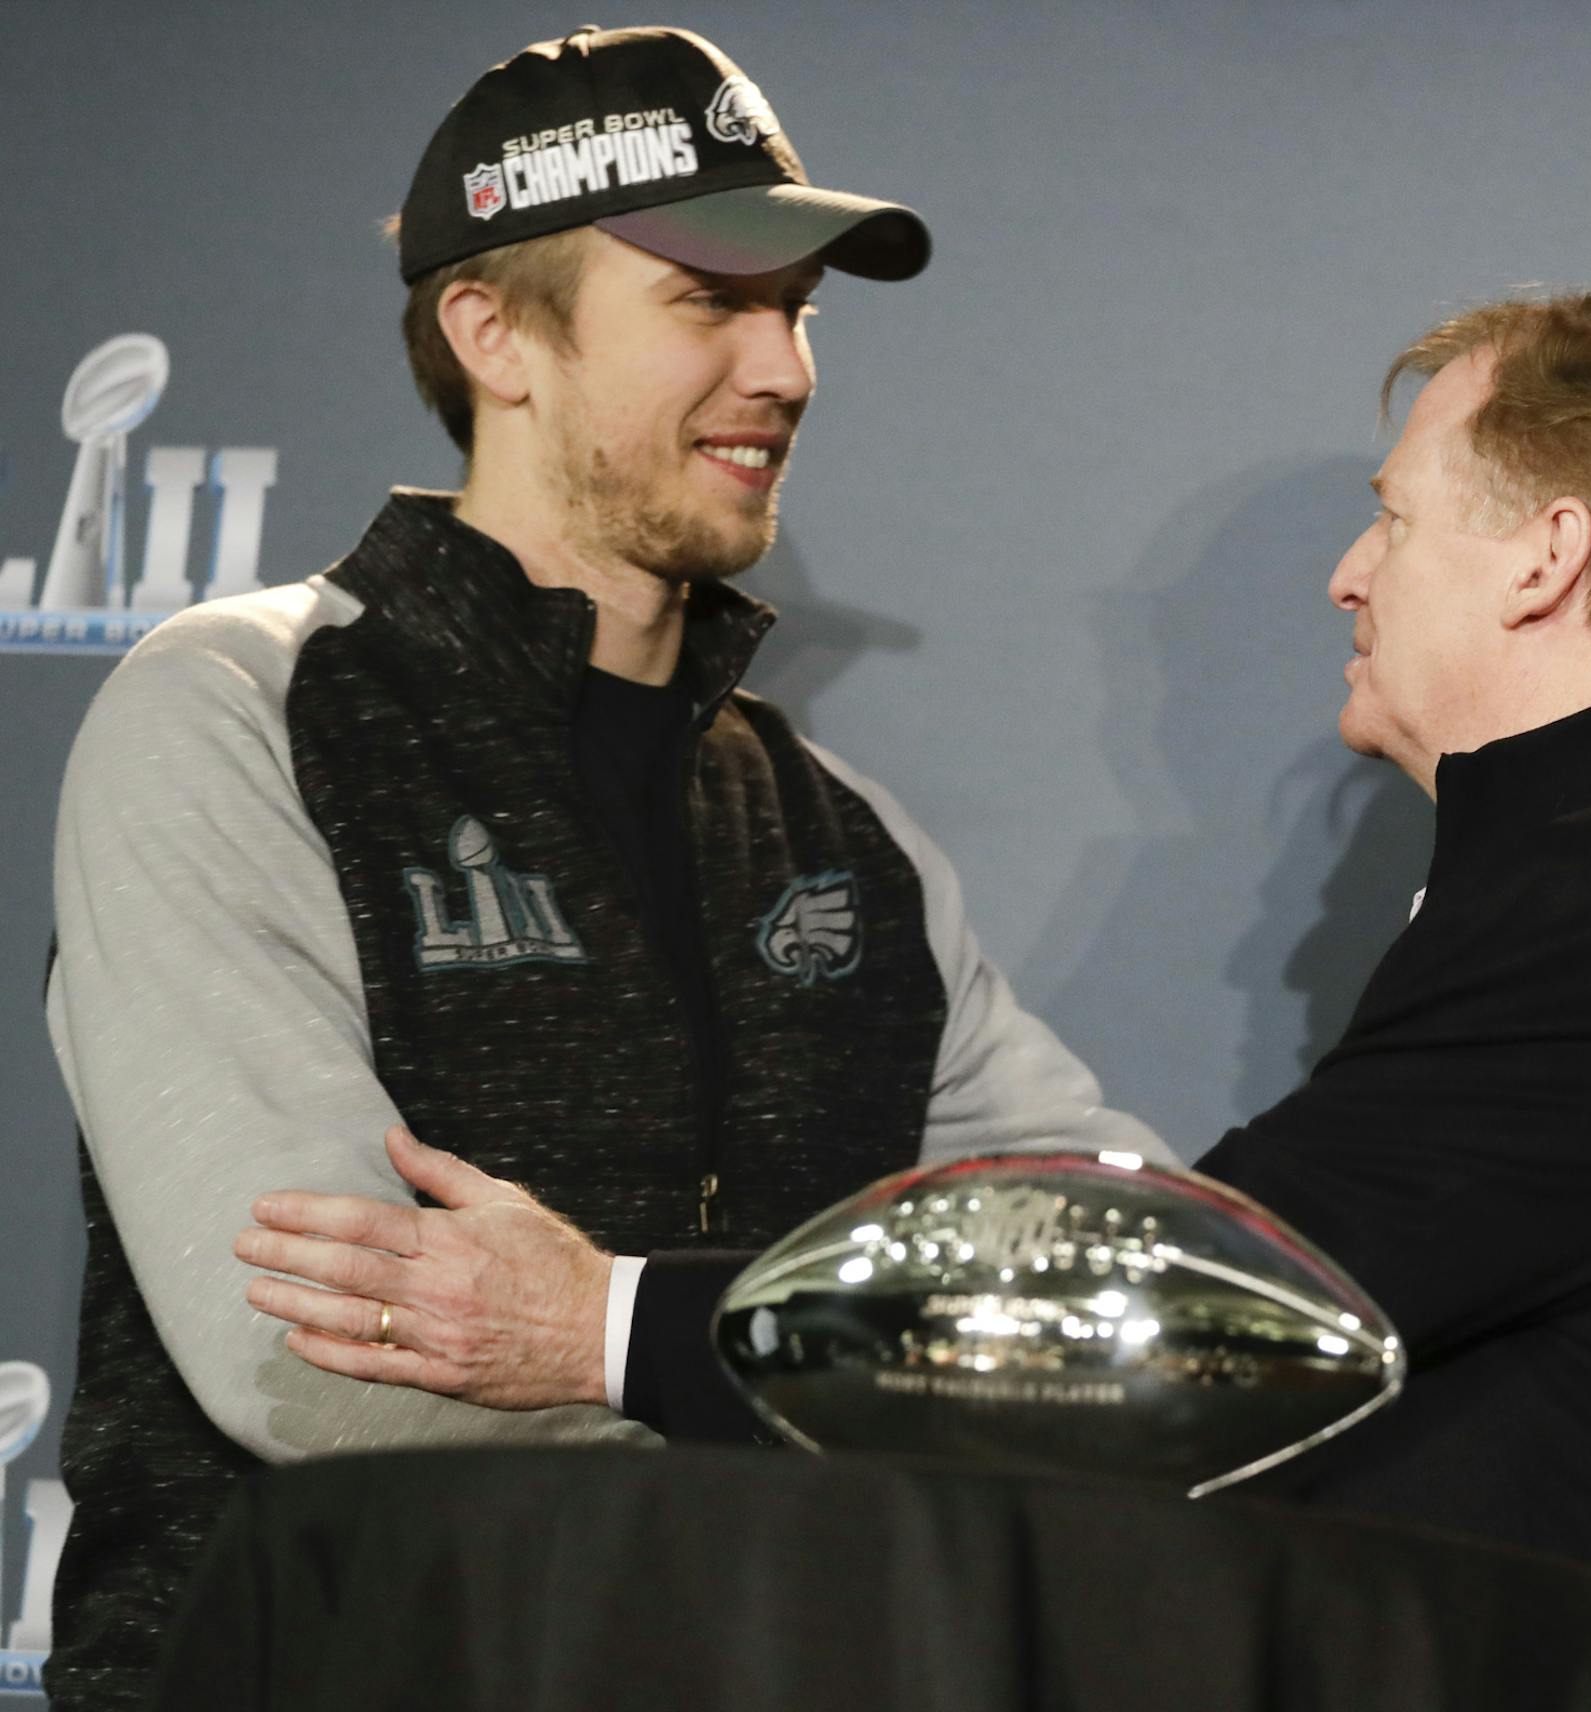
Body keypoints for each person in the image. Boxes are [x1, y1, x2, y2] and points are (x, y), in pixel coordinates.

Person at [240, 295, 1591, 1708]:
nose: (1348, 576)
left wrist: (595, 1324)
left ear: (1544, 558)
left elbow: (1175, 1307)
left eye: (1397, 515)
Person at [46, 25, 1166, 1710]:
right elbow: (311, 1361)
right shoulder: (235, 709)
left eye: (799, 309)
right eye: (711, 300)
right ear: (495, 333)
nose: (783, 367)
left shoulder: (843, 831)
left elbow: (1115, 1294)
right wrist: (861, 1441)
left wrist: (617, 1336)